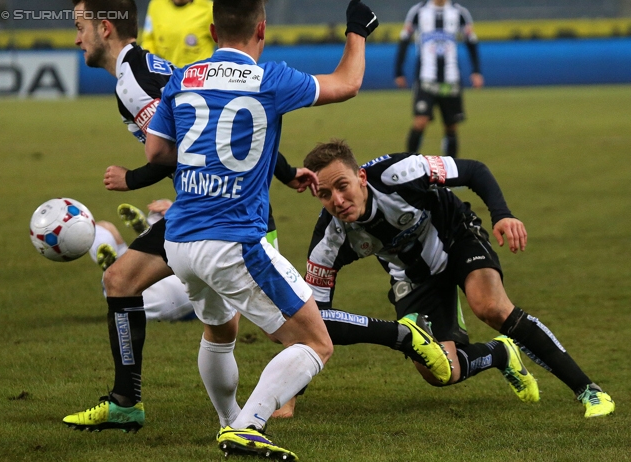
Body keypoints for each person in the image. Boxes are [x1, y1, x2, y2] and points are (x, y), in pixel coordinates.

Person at [64, 0, 321, 435]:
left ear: (104, 28)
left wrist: (133, 177)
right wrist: (287, 170)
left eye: (80, 27)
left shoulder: (133, 82)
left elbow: (181, 150)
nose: (76, 38)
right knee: (123, 282)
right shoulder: (145, 69)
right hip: (213, 207)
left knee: (289, 329)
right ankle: (137, 403)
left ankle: (389, 339)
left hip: (220, 212)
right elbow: (228, 125)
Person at [144, 0, 382, 458]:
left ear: (213, 30)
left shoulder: (182, 78)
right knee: (316, 342)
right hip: (233, 241)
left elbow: (156, 152)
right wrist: (358, 30)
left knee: (218, 331)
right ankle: (248, 426)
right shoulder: (270, 79)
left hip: (179, 241)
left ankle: (228, 420)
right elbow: (348, 83)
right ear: (262, 29)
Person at [302, 139, 615, 419]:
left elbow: (474, 171)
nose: (338, 200)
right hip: (413, 278)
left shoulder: (400, 172)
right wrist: (290, 395)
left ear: (361, 178)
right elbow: (315, 324)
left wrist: (502, 214)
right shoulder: (328, 241)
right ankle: (499, 353)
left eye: (342, 186)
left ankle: (590, 391)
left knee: (490, 306)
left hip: (457, 236)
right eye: (325, 194)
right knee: (439, 372)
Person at [394, 0, 483, 157]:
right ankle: (407, 166)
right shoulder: (418, 11)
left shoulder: (459, 12)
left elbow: (471, 42)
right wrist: (398, 71)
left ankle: (450, 173)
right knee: (420, 121)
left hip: (451, 79)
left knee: (451, 126)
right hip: (426, 79)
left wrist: (476, 71)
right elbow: (404, 40)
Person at [141, 0, 216, 69]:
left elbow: (223, 41)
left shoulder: (208, 9)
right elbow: (149, 40)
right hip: (166, 76)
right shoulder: (156, 5)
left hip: (197, 77)